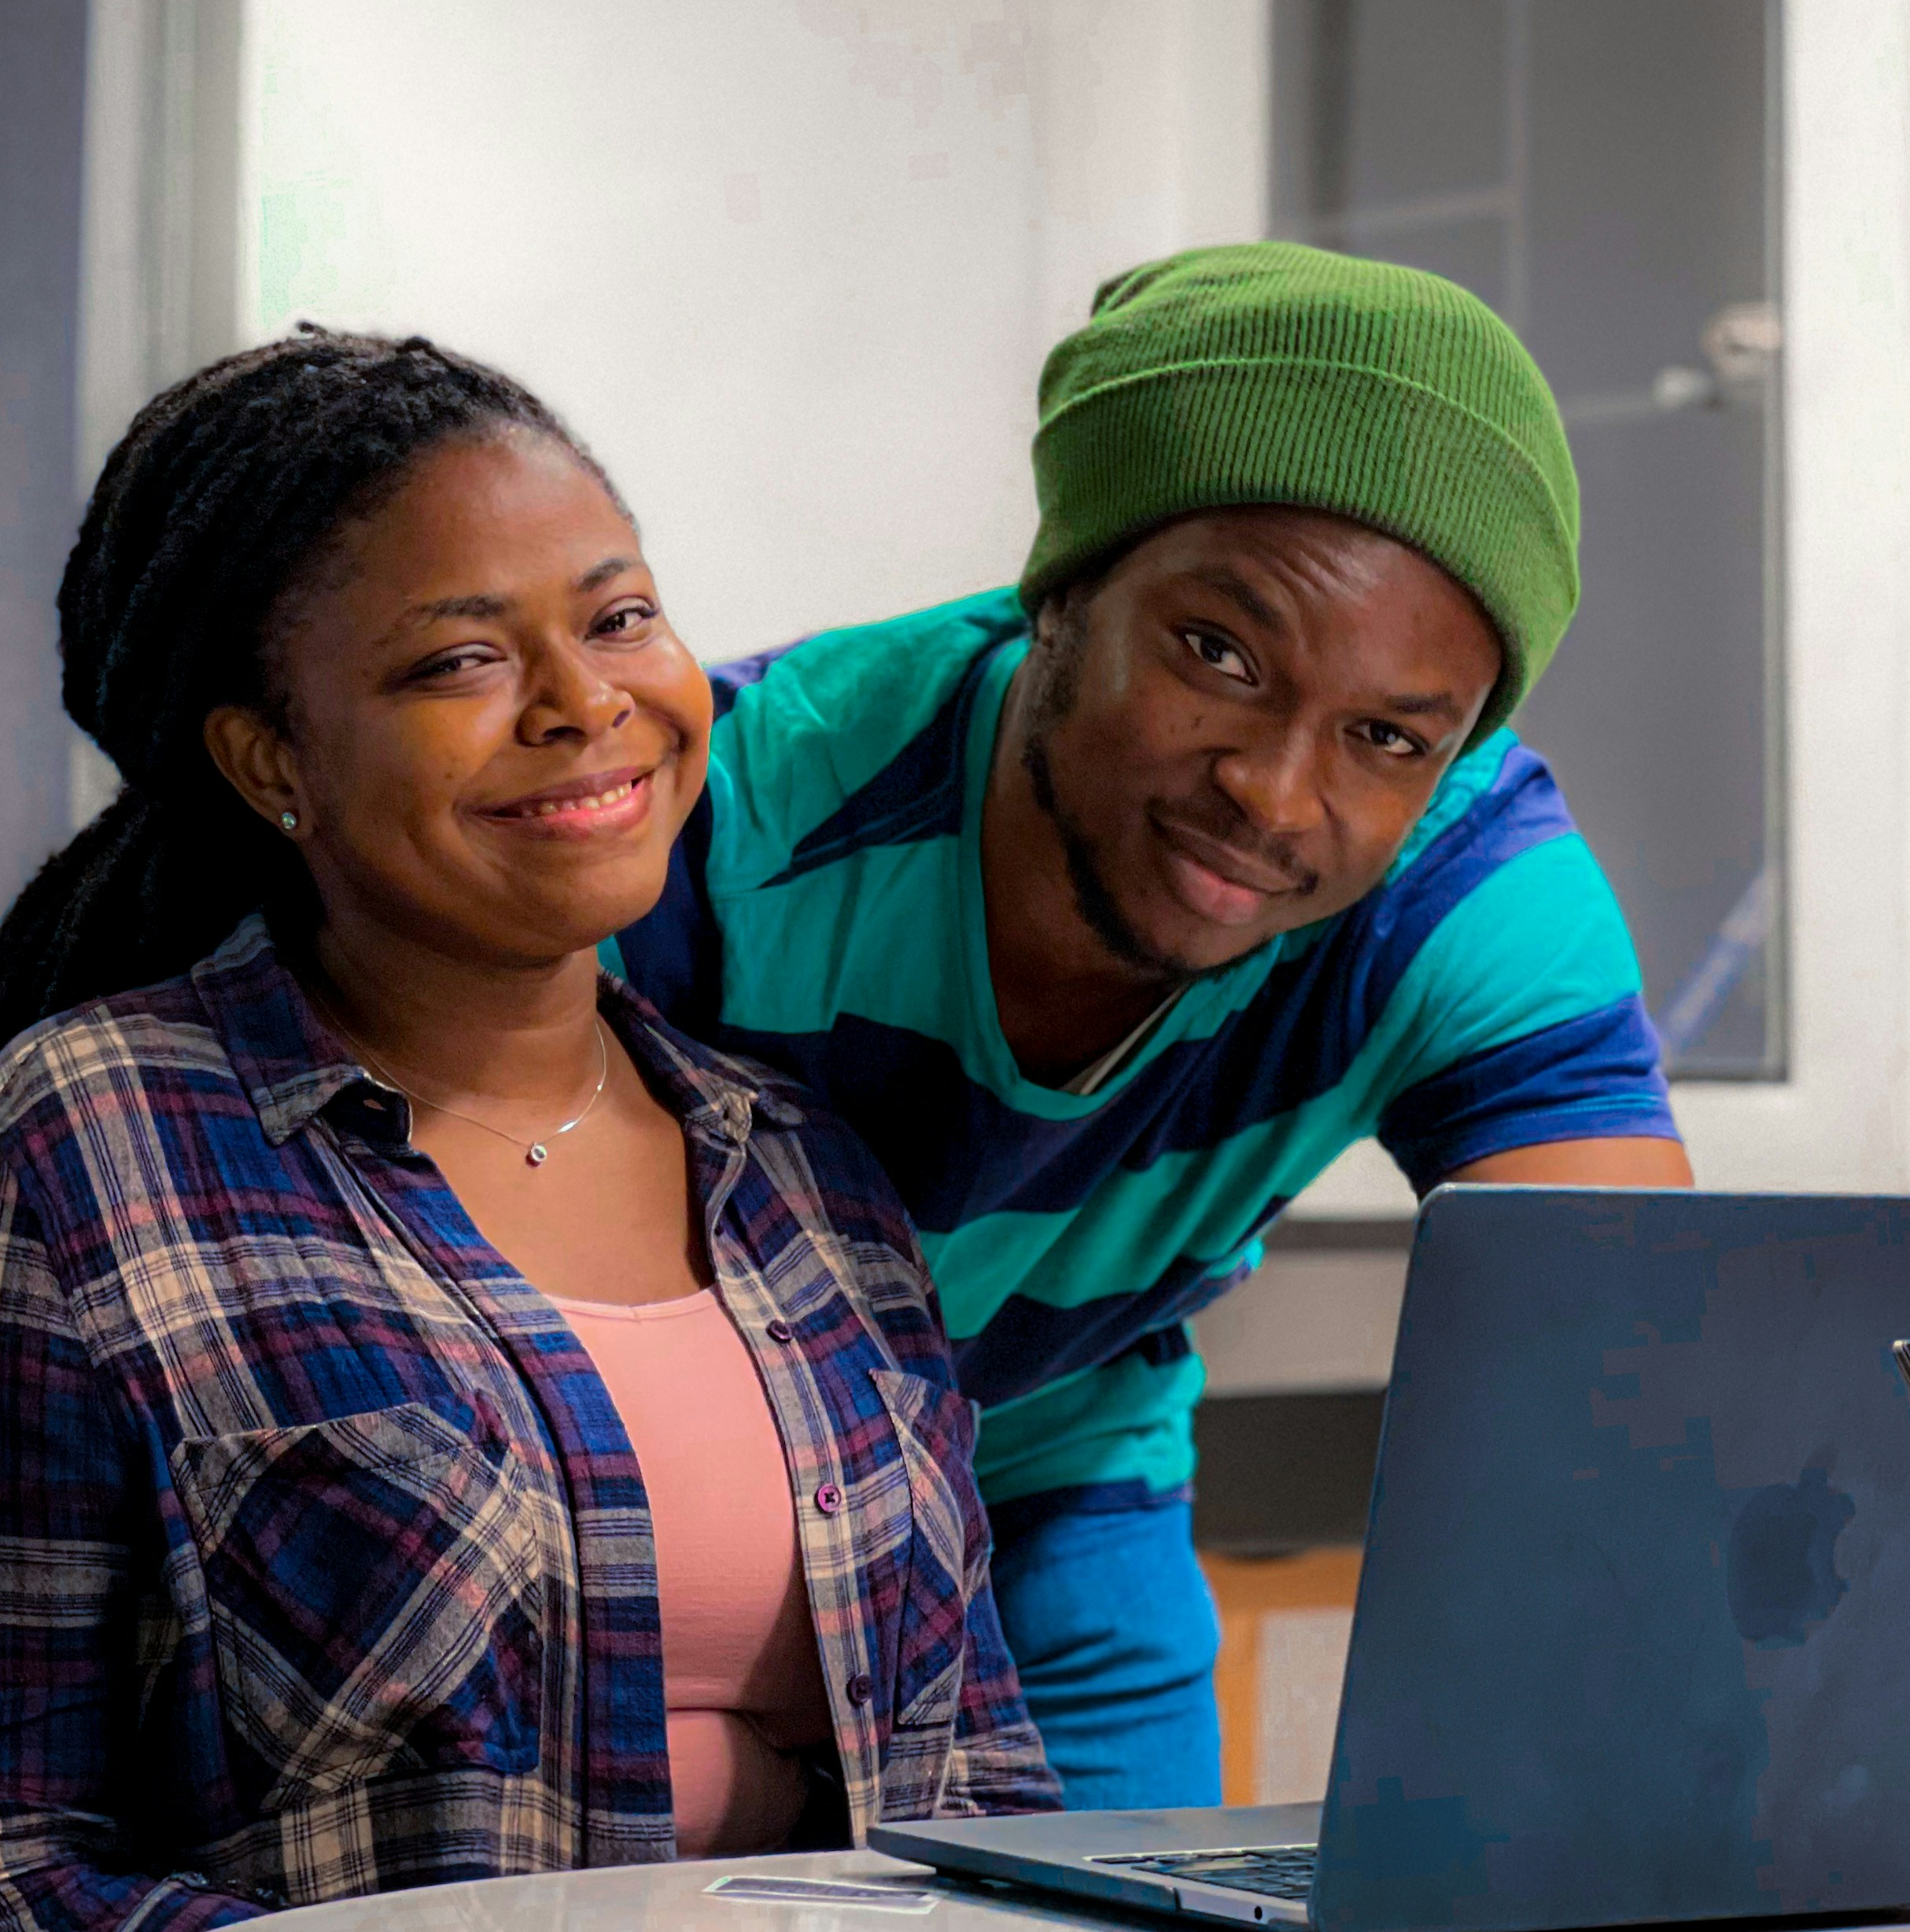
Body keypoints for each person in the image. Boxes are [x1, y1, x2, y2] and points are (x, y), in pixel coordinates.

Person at [616, 242, 1694, 1809]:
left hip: (1052, 1476)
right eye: (1216, 653)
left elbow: (1636, 1369)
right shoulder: (729, 830)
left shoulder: (1460, 886)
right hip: (686, 1506)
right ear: (1060, 590)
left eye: (1388, 735)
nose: (1272, 791)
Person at [0, 330, 1054, 1927]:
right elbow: (18, 1855)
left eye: (620, 617)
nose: (586, 703)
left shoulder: (804, 1175)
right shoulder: (86, 1147)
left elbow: (980, 1785)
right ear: (269, 758)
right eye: (459, 662)